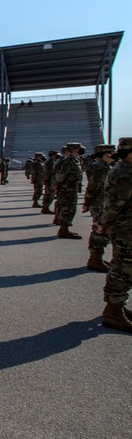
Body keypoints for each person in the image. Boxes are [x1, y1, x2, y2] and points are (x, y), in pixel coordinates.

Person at [98, 137, 132, 334]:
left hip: (125, 226)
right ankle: (114, 310)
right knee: (123, 268)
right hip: (124, 227)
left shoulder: (123, 170)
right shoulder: (124, 172)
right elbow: (116, 203)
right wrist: (103, 223)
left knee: (122, 266)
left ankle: (116, 306)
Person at [84, 144, 116, 272]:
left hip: (103, 202)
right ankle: (95, 260)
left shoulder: (105, 166)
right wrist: (87, 202)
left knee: (102, 230)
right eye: (112, 152)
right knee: (100, 230)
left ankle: (96, 258)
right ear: (106, 154)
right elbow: (93, 186)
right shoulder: (99, 167)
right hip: (99, 203)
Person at [54, 142, 85, 239]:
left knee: (70, 208)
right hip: (67, 189)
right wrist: (58, 186)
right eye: (79, 148)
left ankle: (64, 229)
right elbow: (61, 175)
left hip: (71, 188)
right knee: (68, 209)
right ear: (75, 149)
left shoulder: (75, 160)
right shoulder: (69, 161)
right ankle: (63, 230)